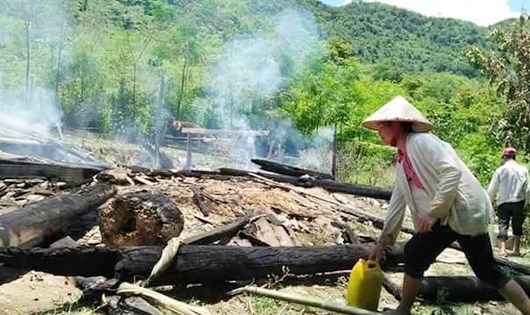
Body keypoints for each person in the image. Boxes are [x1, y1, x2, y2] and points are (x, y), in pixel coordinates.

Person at [362, 95, 530, 315]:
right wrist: (383, 241)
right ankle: (403, 310)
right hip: (447, 217)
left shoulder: (422, 141)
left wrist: (434, 213)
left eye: (381, 127)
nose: (379, 133)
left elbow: (451, 171)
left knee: (485, 270)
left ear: (395, 124)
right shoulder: (403, 158)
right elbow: (398, 200)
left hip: (462, 211)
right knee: (417, 253)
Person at [487, 147, 529, 256]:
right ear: (515, 157)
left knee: (502, 224)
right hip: (518, 201)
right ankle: (516, 250)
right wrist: (526, 202)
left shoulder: (500, 170)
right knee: (517, 225)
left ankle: (502, 250)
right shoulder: (523, 169)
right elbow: (527, 189)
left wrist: (489, 201)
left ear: (505, 157)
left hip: (503, 202)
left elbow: (493, 188)